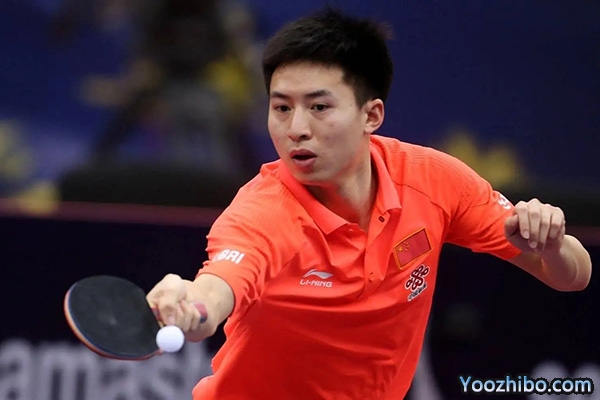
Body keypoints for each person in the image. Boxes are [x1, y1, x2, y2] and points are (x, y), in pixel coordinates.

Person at [146, 8, 592, 399]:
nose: (296, 128)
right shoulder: (261, 213)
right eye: (281, 108)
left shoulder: (434, 181)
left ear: (371, 115)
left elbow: (573, 277)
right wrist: (191, 305)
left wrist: (551, 244)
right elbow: (214, 294)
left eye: (319, 107)